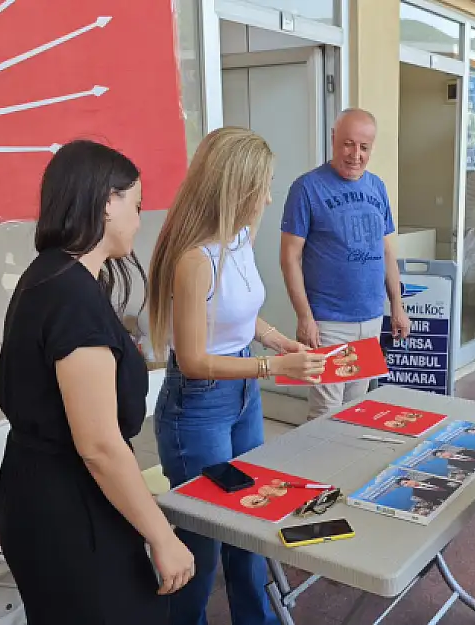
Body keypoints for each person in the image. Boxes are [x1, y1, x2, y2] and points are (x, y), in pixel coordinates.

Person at [0, 140, 194, 625]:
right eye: (136, 205)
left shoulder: (47, 275)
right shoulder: (71, 296)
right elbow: (100, 446)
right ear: (107, 201)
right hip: (68, 508)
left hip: (35, 492)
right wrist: (162, 537)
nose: (140, 220)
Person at [146, 127, 326, 625]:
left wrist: (274, 339)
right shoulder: (193, 261)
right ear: (238, 189)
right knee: (200, 546)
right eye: (264, 186)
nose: (270, 197)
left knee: (248, 525)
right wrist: (274, 366)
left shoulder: (240, 239)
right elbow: (195, 359)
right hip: (199, 407)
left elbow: (242, 315)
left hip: (242, 397)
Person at [280, 108, 411, 421]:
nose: (355, 155)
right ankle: (316, 470)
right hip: (329, 322)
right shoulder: (307, 188)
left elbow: (386, 251)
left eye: (364, 147)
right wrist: (304, 316)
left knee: (356, 408)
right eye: (348, 144)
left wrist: (397, 304)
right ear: (333, 140)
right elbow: (289, 257)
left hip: (369, 317)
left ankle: (343, 468)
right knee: (326, 411)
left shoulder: (377, 187)